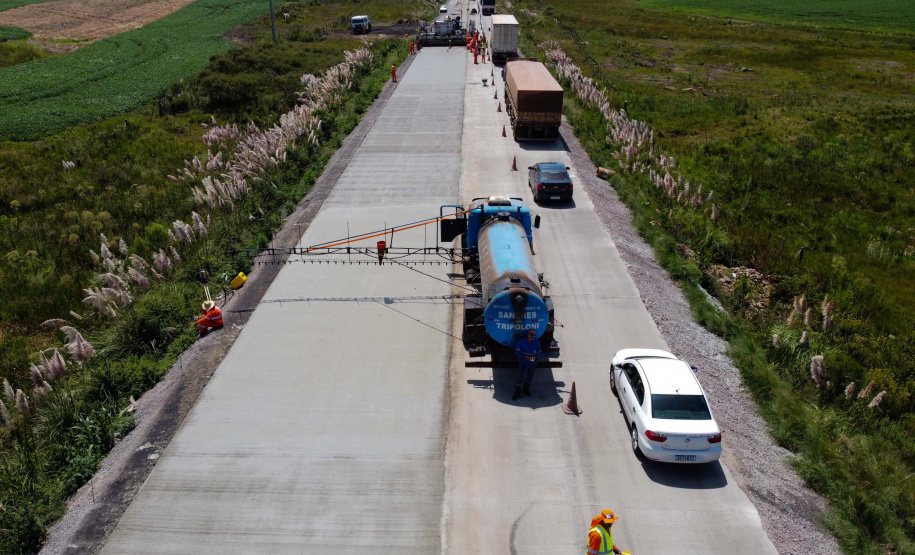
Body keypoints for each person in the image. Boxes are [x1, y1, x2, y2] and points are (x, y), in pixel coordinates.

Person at [513, 329, 541, 400]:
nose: (532, 336)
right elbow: (517, 352)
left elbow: (540, 352)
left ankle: (526, 390)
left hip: (532, 364)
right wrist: (524, 356)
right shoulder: (521, 342)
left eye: (534, 335)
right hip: (524, 363)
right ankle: (517, 393)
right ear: (527, 334)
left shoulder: (536, 343)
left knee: (529, 378)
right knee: (521, 378)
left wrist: (535, 357)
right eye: (531, 334)